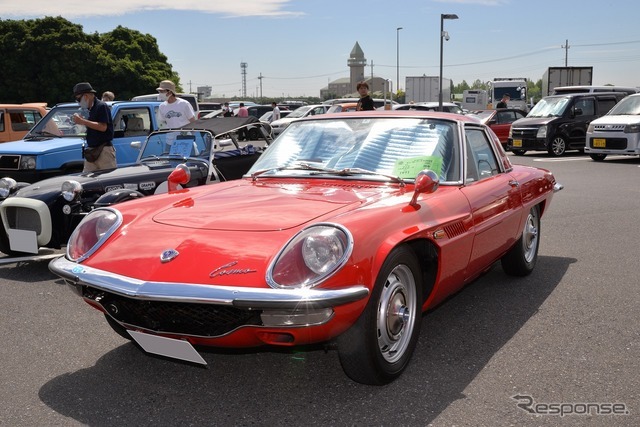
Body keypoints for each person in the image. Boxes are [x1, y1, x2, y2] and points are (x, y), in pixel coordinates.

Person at [72, 82, 116, 172]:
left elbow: (103, 127)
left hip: (104, 150)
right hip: (91, 150)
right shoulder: (89, 109)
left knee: (108, 180)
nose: (78, 102)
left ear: (86, 96)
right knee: (86, 180)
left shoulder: (101, 106)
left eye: (79, 99)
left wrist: (82, 121)